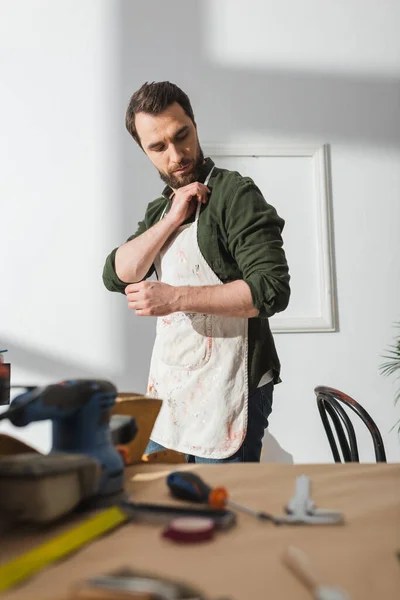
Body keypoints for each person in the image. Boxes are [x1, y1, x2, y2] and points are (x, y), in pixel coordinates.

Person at [103, 81, 290, 463]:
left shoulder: (234, 195)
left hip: (230, 386)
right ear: (145, 151)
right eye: (158, 147)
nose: (176, 154)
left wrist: (173, 298)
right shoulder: (160, 211)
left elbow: (270, 289)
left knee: (220, 515)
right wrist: (172, 217)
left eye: (181, 135)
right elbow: (116, 274)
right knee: (162, 502)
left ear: (194, 124)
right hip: (172, 390)